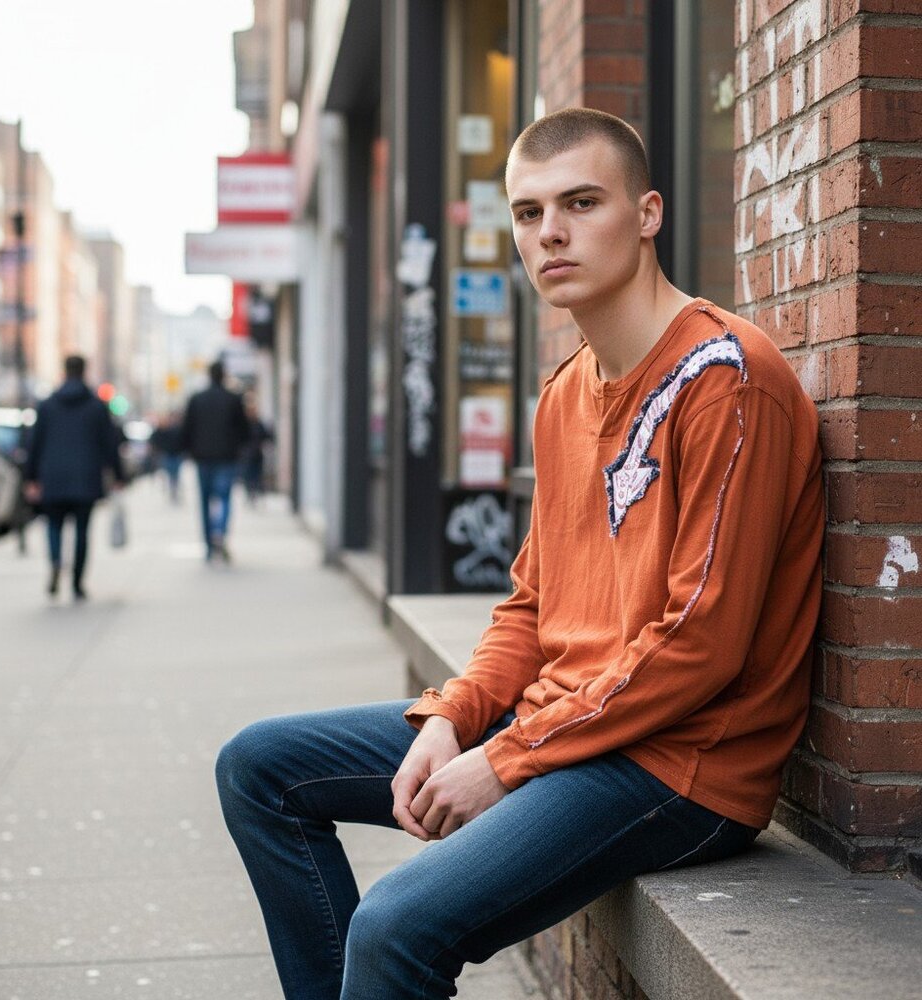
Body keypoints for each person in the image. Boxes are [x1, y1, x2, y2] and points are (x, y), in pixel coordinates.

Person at [215, 108, 824, 999]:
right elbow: (533, 606)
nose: (551, 233)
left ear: (648, 213)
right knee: (257, 767)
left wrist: (504, 760)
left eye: (581, 203)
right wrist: (452, 718)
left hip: (678, 764)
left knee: (393, 928)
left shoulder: (726, 379)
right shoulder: (565, 393)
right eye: (529, 213)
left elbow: (701, 644)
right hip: (569, 725)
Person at [24, 355, 125, 600]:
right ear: (84, 372)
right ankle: (77, 582)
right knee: (82, 531)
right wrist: (118, 474)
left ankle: (56, 561)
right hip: (86, 477)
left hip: (53, 476)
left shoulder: (47, 405)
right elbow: (110, 444)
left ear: (64, 371)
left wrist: (31, 477)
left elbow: (34, 444)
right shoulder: (96, 406)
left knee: (53, 525)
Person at [181, 360, 249, 561]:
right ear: (223, 376)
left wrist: (189, 450)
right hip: (227, 457)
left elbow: (187, 429)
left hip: (203, 457)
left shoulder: (197, 399)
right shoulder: (233, 399)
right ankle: (220, 532)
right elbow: (244, 430)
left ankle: (209, 544)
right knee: (224, 497)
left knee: (205, 500)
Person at [150, 412, 185, 503]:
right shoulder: (161, 431)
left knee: (175, 474)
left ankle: (174, 489)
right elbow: (155, 442)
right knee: (170, 473)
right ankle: (172, 489)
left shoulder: (175, 430)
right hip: (167, 455)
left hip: (175, 455)